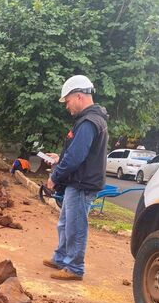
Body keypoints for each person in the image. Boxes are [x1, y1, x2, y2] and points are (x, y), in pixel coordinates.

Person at [43, 75, 109, 280]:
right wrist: (59, 158)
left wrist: (55, 176)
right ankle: (62, 258)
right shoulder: (88, 120)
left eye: (68, 101)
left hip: (82, 184)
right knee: (65, 223)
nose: (67, 106)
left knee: (76, 225)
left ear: (79, 96)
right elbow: (77, 153)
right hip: (78, 182)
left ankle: (75, 268)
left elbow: (77, 157)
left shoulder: (89, 122)